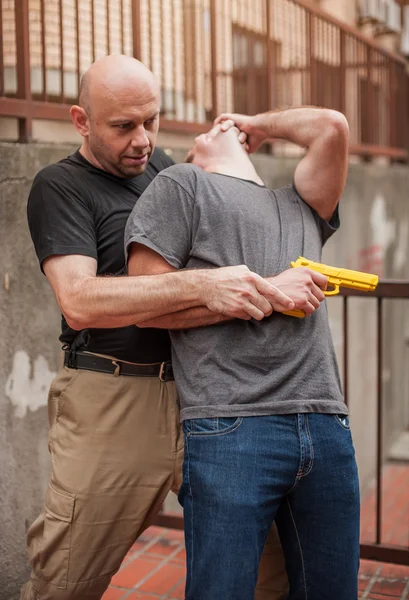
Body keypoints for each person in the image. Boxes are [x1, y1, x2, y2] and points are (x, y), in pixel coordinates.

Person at [20, 55, 295, 600]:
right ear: (82, 120)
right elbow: (80, 301)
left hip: (208, 393)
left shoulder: (165, 168)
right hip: (114, 401)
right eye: (123, 126)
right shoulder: (60, 186)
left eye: (152, 120)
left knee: (270, 567)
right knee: (67, 581)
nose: (143, 140)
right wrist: (204, 286)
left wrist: (233, 156)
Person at [125, 109, 360, 600]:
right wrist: (269, 291)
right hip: (231, 425)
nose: (210, 132)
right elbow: (144, 302)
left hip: (324, 420)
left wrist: (259, 122)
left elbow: (332, 128)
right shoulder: (184, 183)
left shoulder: (300, 203)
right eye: (201, 137)